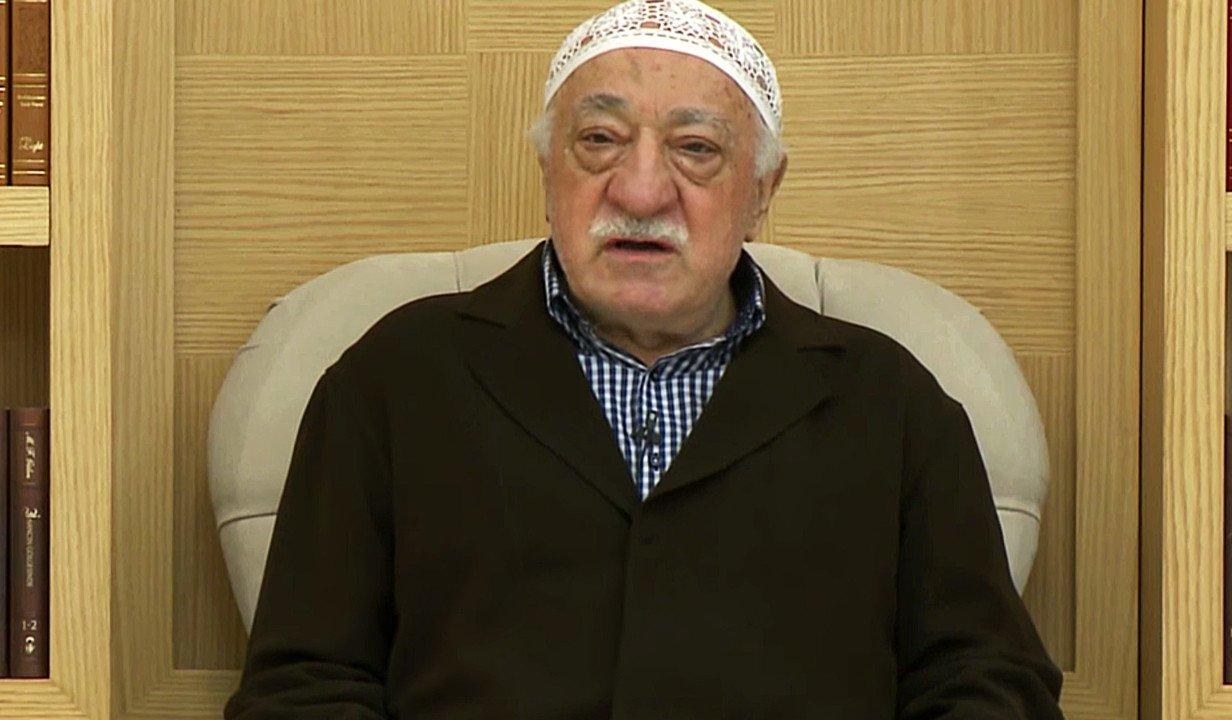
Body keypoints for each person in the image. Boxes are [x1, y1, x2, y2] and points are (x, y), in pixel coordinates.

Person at [222, 0, 1066, 717]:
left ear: (762, 191)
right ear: (548, 170)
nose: (640, 190)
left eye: (696, 148)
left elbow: (985, 681)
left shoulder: (889, 400)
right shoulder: (396, 377)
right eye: (599, 139)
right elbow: (305, 686)